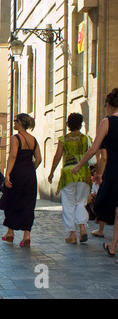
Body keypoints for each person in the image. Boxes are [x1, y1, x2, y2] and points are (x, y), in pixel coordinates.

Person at [72, 88, 118, 262]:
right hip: (113, 171)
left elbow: (94, 149)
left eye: (106, 104)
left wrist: (79, 165)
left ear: (111, 105)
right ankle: (113, 246)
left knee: (103, 206)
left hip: (114, 172)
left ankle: (113, 245)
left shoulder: (107, 122)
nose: (105, 107)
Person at [0, 113, 42, 247]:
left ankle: (10, 232)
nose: (14, 123)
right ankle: (26, 235)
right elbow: (39, 159)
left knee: (11, 201)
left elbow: (12, 156)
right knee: (28, 204)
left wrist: (7, 174)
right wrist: (31, 169)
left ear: (21, 123)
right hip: (29, 175)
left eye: (15, 121)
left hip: (17, 173)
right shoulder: (33, 139)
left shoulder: (15, 138)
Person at [48, 113, 92, 244]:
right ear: (81, 124)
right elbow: (95, 153)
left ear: (68, 124)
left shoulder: (63, 139)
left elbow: (57, 157)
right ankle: (82, 228)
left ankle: (72, 234)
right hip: (83, 173)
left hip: (68, 174)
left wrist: (51, 173)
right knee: (81, 202)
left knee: (68, 204)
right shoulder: (86, 139)